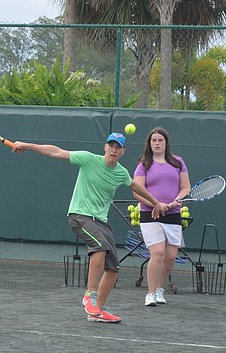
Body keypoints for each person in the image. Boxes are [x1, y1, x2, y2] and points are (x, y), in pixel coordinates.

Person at [13, 133, 165, 323]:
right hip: (79, 216)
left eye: (118, 147)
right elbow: (55, 152)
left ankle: (97, 311)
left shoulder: (121, 173)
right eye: (111, 145)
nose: (114, 150)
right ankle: (90, 296)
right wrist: (27, 145)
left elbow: (134, 185)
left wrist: (156, 202)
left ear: (123, 151)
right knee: (100, 246)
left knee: (113, 269)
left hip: (101, 221)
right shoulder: (87, 159)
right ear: (105, 147)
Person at [132, 127, 190, 306]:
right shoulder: (143, 165)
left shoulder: (178, 162)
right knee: (157, 253)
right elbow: (137, 192)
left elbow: (185, 187)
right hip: (150, 214)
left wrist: (176, 201)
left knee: (170, 257)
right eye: (154, 141)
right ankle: (150, 294)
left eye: (160, 140)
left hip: (173, 215)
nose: (157, 143)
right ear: (149, 144)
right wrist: (156, 204)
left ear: (166, 143)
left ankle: (158, 289)